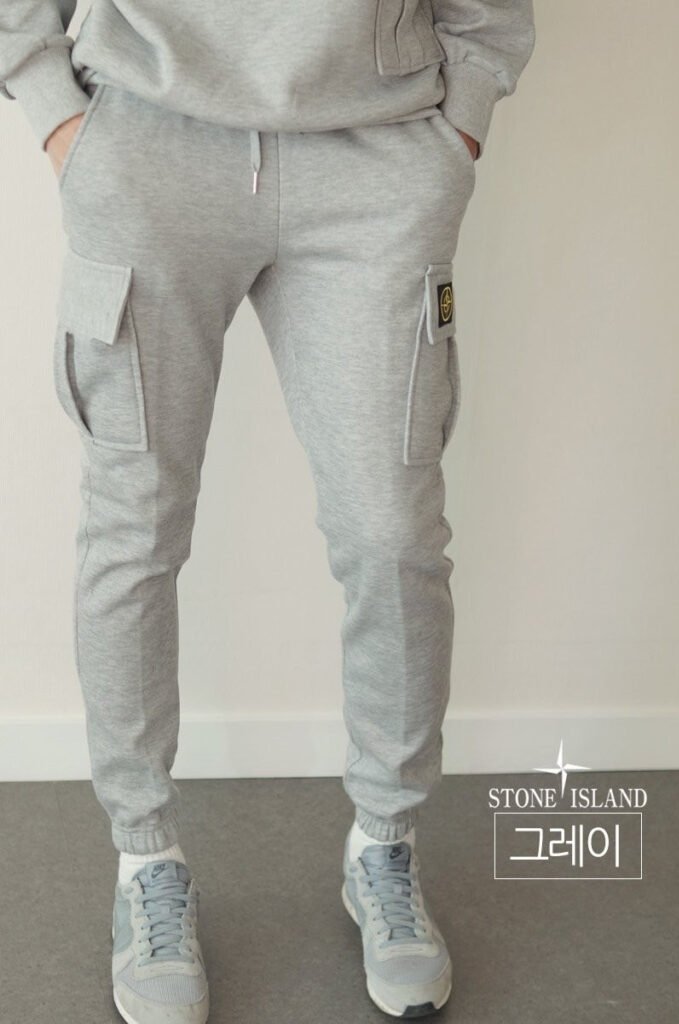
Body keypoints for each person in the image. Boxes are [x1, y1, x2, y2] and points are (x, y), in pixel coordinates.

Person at [1, 2, 535, 1020]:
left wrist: (458, 129)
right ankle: (144, 858)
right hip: (147, 148)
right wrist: (57, 114)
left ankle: (384, 842)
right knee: (134, 529)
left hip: (376, 157)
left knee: (392, 535)